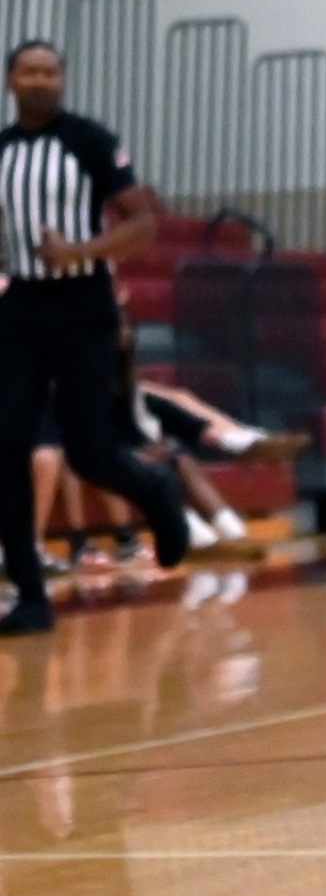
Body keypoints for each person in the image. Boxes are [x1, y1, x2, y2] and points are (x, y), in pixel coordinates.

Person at [0, 42, 191, 635]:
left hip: (84, 307)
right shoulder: (2, 151)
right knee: (6, 448)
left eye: (51, 71)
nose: (40, 81)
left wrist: (78, 252)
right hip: (22, 307)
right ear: (11, 81)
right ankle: (31, 595)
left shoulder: (88, 140)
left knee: (89, 451)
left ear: (62, 79)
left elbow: (142, 224)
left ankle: (156, 490)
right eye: (29, 71)